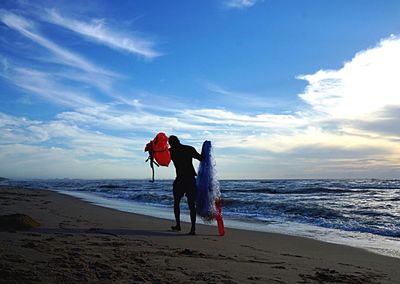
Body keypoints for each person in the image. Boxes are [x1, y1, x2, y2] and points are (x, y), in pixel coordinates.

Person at [168, 135, 203, 235]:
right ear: (178, 140)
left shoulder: (171, 151)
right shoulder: (188, 149)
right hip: (189, 180)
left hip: (181, 179)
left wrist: (152, 152)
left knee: (177, 203)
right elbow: (201, 158)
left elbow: (161, 160)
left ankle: (179, 225)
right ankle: (192, 229)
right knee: (191, 204)